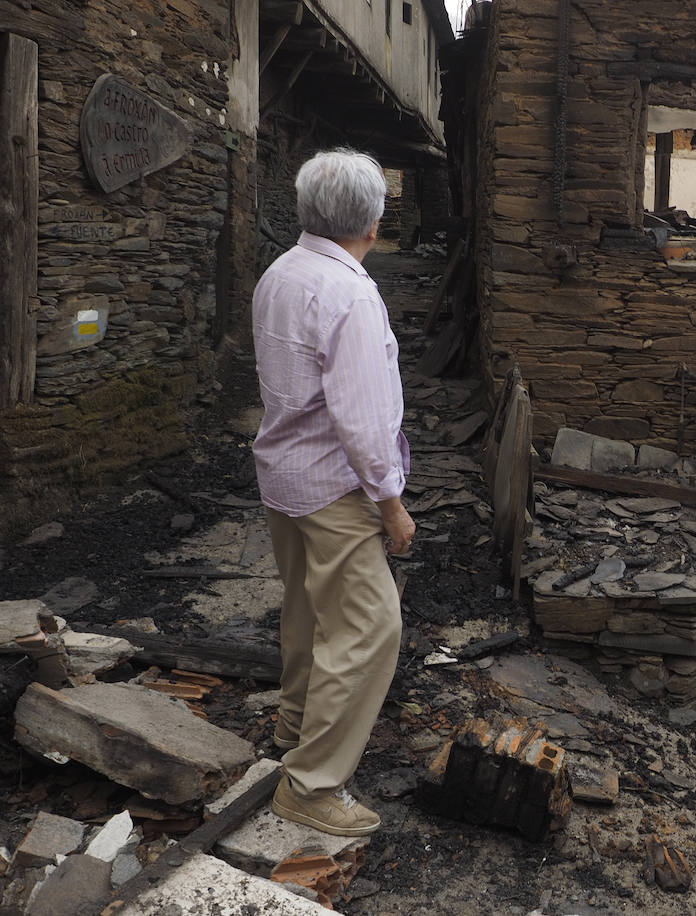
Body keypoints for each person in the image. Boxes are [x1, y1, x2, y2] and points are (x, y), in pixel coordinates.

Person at [251, 148, 414, 837]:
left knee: (307, 611)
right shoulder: (351, 295)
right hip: (332, 483)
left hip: (285, 472)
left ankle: (294, 729)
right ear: (373, 224)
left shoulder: (282, 272)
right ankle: (312, 784)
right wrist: (391, 504)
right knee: (372, 627)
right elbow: (364, 419)